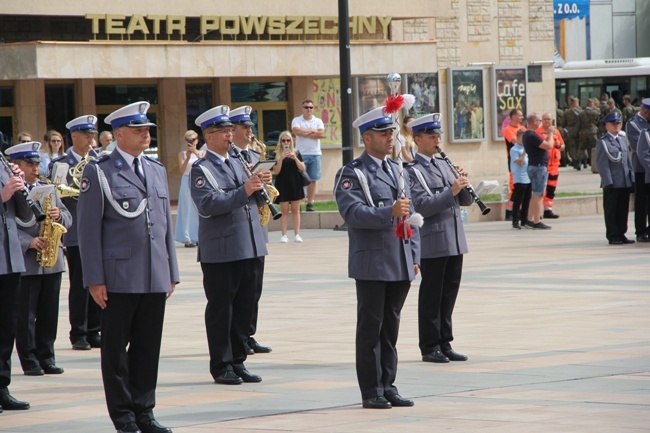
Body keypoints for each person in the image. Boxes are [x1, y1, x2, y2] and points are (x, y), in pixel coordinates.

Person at [77, 101, 179, 433]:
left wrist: (171, 271)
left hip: (153, 274)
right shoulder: (100, 170)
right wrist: (94, 278)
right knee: (116, 352)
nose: (145, 135)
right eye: (138, 131)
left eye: (147, 130)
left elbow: (164, 226)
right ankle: (123, 416)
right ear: (119, 134)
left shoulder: (156, 169)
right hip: (118, 276)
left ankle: (144, 411)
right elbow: (88, 230)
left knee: (148, 348)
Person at [334, 106, 419, 409]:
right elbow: (352, 213)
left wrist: (414, 254)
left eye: (391, 132)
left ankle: (389, 385)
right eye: (384, 134)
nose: (390, 137)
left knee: (390, 329)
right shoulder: (352, 172)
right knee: (371, 328)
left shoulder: (396, 169)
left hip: (398, 259)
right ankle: (371, 390)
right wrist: (388, 212)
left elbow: (412, 214)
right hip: (371, 260)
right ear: (367, 139)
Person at [190, 105, 268, 385]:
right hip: (221, 250)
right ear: (208, 136)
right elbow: (209, 204)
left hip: (248, 245)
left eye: (230, 130)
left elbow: (252, 200)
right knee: (222, 308)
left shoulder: (237, 161)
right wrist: (244, 190)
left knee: (245, 305)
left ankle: (238, 360)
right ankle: (221, 364)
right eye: (223, 131)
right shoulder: (202, 168)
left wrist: (261, 187)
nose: (229, 135)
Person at [405, 113, 471, 364]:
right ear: (417, 139)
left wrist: (464, 185)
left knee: (449, 294)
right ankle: (429, 345)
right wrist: (451, 190)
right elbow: (420, 206)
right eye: (432, 137)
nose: (437, 141)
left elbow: (462, 201)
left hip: (454, 239)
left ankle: (445, 341)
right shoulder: (412, 171)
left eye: (438, 137)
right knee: (432, 295)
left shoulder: (444, 164)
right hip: (433, 241)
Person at [11, 142, 71, 376]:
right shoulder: (12, 191)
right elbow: (7, 225)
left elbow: (67, 216)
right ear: (17, 166)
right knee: (26, 315)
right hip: (27, 262)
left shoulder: (49, 188)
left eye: (37, 164)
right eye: (30, 164)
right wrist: (28, 242)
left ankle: (47, 357)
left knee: (49, 313)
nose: (36, 168)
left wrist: (59, 216)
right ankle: (30, 360)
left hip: (52, 261)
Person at [50, 115, 101, 351]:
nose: (91, 139)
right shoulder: (62, 164)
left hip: (100, 230)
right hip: (77, 229)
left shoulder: (99, 160)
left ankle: (94, 329)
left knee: (99, 279)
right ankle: (78, 332)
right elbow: (55, 195)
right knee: (80, 282)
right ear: (74, 136)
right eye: (86, 135)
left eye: (93, 134)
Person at [228, 105, 273, 356]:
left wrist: (267, 183)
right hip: (240, 228)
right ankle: (239, 336)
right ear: (232, 131)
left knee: (255, 286)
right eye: (245, 127)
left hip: (258, 225)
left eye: (249, 126)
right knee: (241, 289)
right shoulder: (231, 158)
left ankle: (249, 333)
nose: (250, 131)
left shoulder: (255, 155)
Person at [0, 144, 33, 411]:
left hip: (10, 259)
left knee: (6, 325)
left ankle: (1, 386)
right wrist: (2, 195)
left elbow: (24, 214)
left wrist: (21, 187)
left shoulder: (3, 163)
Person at [595, 112, 634, 245]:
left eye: (618, 123)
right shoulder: (603, 142)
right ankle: (613, 235)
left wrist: (631, 178)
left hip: (624, 180)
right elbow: (602, 164)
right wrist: (608, 182)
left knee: (623, 210)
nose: (616, 126)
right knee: (611, 210)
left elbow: (628, 161)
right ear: (607, 126)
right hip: (613, 182)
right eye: (613, 123)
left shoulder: (622, 139)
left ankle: (621, 233)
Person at [273, 130, 306, 243]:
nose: (286, 142)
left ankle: (297, 234)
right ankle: (284, 235)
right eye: (283, 140)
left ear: (291, 141)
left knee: (296, 210)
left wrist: (295, 158)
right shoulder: (276, 154)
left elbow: (302, 168)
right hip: (282, 183)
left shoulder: (296, 152)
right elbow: (276, 171)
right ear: (280, 142)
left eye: (288, 140)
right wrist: (281, 158)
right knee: (284, 210)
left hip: (295, 182)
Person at [291, 99, 324, 212]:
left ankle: (310, 203)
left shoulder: (318, 121)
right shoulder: (297, 120)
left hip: (315, 154)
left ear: (313, 108)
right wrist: (312, 132)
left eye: (310, 107)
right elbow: (296, 131)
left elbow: (321, 134)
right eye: (306, 107)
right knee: (300, 179)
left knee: (313, 180)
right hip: (301, 154)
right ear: (302, 108)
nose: (308, 109)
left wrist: (305, 132)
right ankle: (299, 202)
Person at [523, 112, 553, 230]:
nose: (540, 123)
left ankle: (530, 219)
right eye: (539, 121)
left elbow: (541, 144)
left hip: (534, 165)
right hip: (538, 167)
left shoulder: (528, 135)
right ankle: (536, 220)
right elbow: (549, 146)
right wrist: (550, 134)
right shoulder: (531, 135)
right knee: (538, 194)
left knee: (535, 194)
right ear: (533, 122)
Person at [625, 98, 650, 242]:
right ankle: (641, 231)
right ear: (646, 112)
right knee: (641, 201)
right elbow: (638, 147)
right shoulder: (633, 124)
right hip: (641, 169)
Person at [174, 130, 202, 248]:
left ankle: (197, 236)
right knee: (186, 208)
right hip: (186, 179)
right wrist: (188, 157)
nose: (190, 142)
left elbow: (203, 162)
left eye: (192, 140)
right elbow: (181, 170)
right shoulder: (182, 154)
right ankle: (187, 238)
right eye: (188, 140)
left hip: (199, 181)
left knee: (197, 208)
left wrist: (194, 152)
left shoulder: (202, 153)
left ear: (197, 140)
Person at [537, 113, 564, 219]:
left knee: (551, 189)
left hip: (555, 165)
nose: (547, 121)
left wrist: (559, 145)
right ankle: (537, 211)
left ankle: (548, 210)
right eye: (545, 119)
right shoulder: (538, 132)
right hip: (544, 164)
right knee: (541, 189)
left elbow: (562, 145)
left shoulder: (556, 131)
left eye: (549, 119)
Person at [503, 109, 526, 220]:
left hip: (525, 161)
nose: (522, 117)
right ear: (513, 117)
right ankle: (509, 211)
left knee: (523, 186)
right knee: (515, 186)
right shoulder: (508, 129)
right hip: (514, 161)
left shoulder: (523, 129)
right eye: (520, 115)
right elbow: (514, 141)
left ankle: (520, 211)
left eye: (522, 116)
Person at [509, 129, 531, 230]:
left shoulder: (527, 148)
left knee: (527, 200)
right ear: (518, 138)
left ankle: (524, 220)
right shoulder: (514, 150)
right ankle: (515, 220)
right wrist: (525, 152)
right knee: (518, 200)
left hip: (528, 177)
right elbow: (519, 162)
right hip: (519, 178)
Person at [578, 98, 600, 169]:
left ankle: (580, 163)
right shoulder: (595, 112)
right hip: (592, 131)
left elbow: (578, 123)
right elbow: (598, 121)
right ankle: (594, 163)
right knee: (594, 147)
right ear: (591, 104)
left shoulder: (581, 113)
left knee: (582, 147)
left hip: (583, 131)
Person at [564, 96, 582, 170]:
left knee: (572, 146)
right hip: (579, 130)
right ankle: (580, 161)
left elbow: (564, 122)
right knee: (579, 146)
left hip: (571, 130)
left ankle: (575, 161)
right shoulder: (581, 111)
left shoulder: (567, 112)